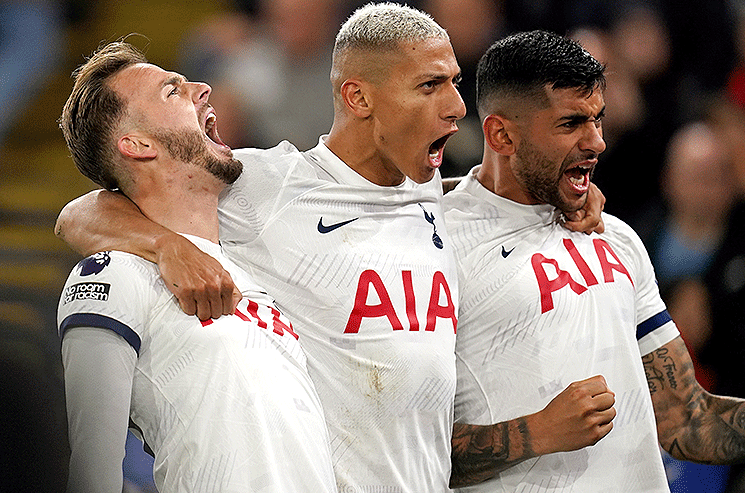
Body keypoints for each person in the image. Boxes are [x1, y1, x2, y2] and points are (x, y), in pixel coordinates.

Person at [55, 5, 605, 492]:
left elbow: (508, 190)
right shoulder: (268, 188)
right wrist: (166, 244)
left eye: (454, 82)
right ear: (359, 96)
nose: (458, 107)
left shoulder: (441, 202)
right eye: (429, 85)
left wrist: (570, 189)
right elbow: (83, 211)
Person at [443, 29, 745, 491]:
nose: (596, 142)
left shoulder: (615, 237)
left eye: (598, 120)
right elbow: (401, 449)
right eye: (570, 124)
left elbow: (685, 420)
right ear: (501, 134)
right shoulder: (434, 246)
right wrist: (538, 432)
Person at [56, 40, 337, 493]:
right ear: (138, 144)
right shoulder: (114, 273)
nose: (204, 89)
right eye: (173, 91)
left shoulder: (250, 270)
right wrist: (164, 245)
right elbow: (92, 472)